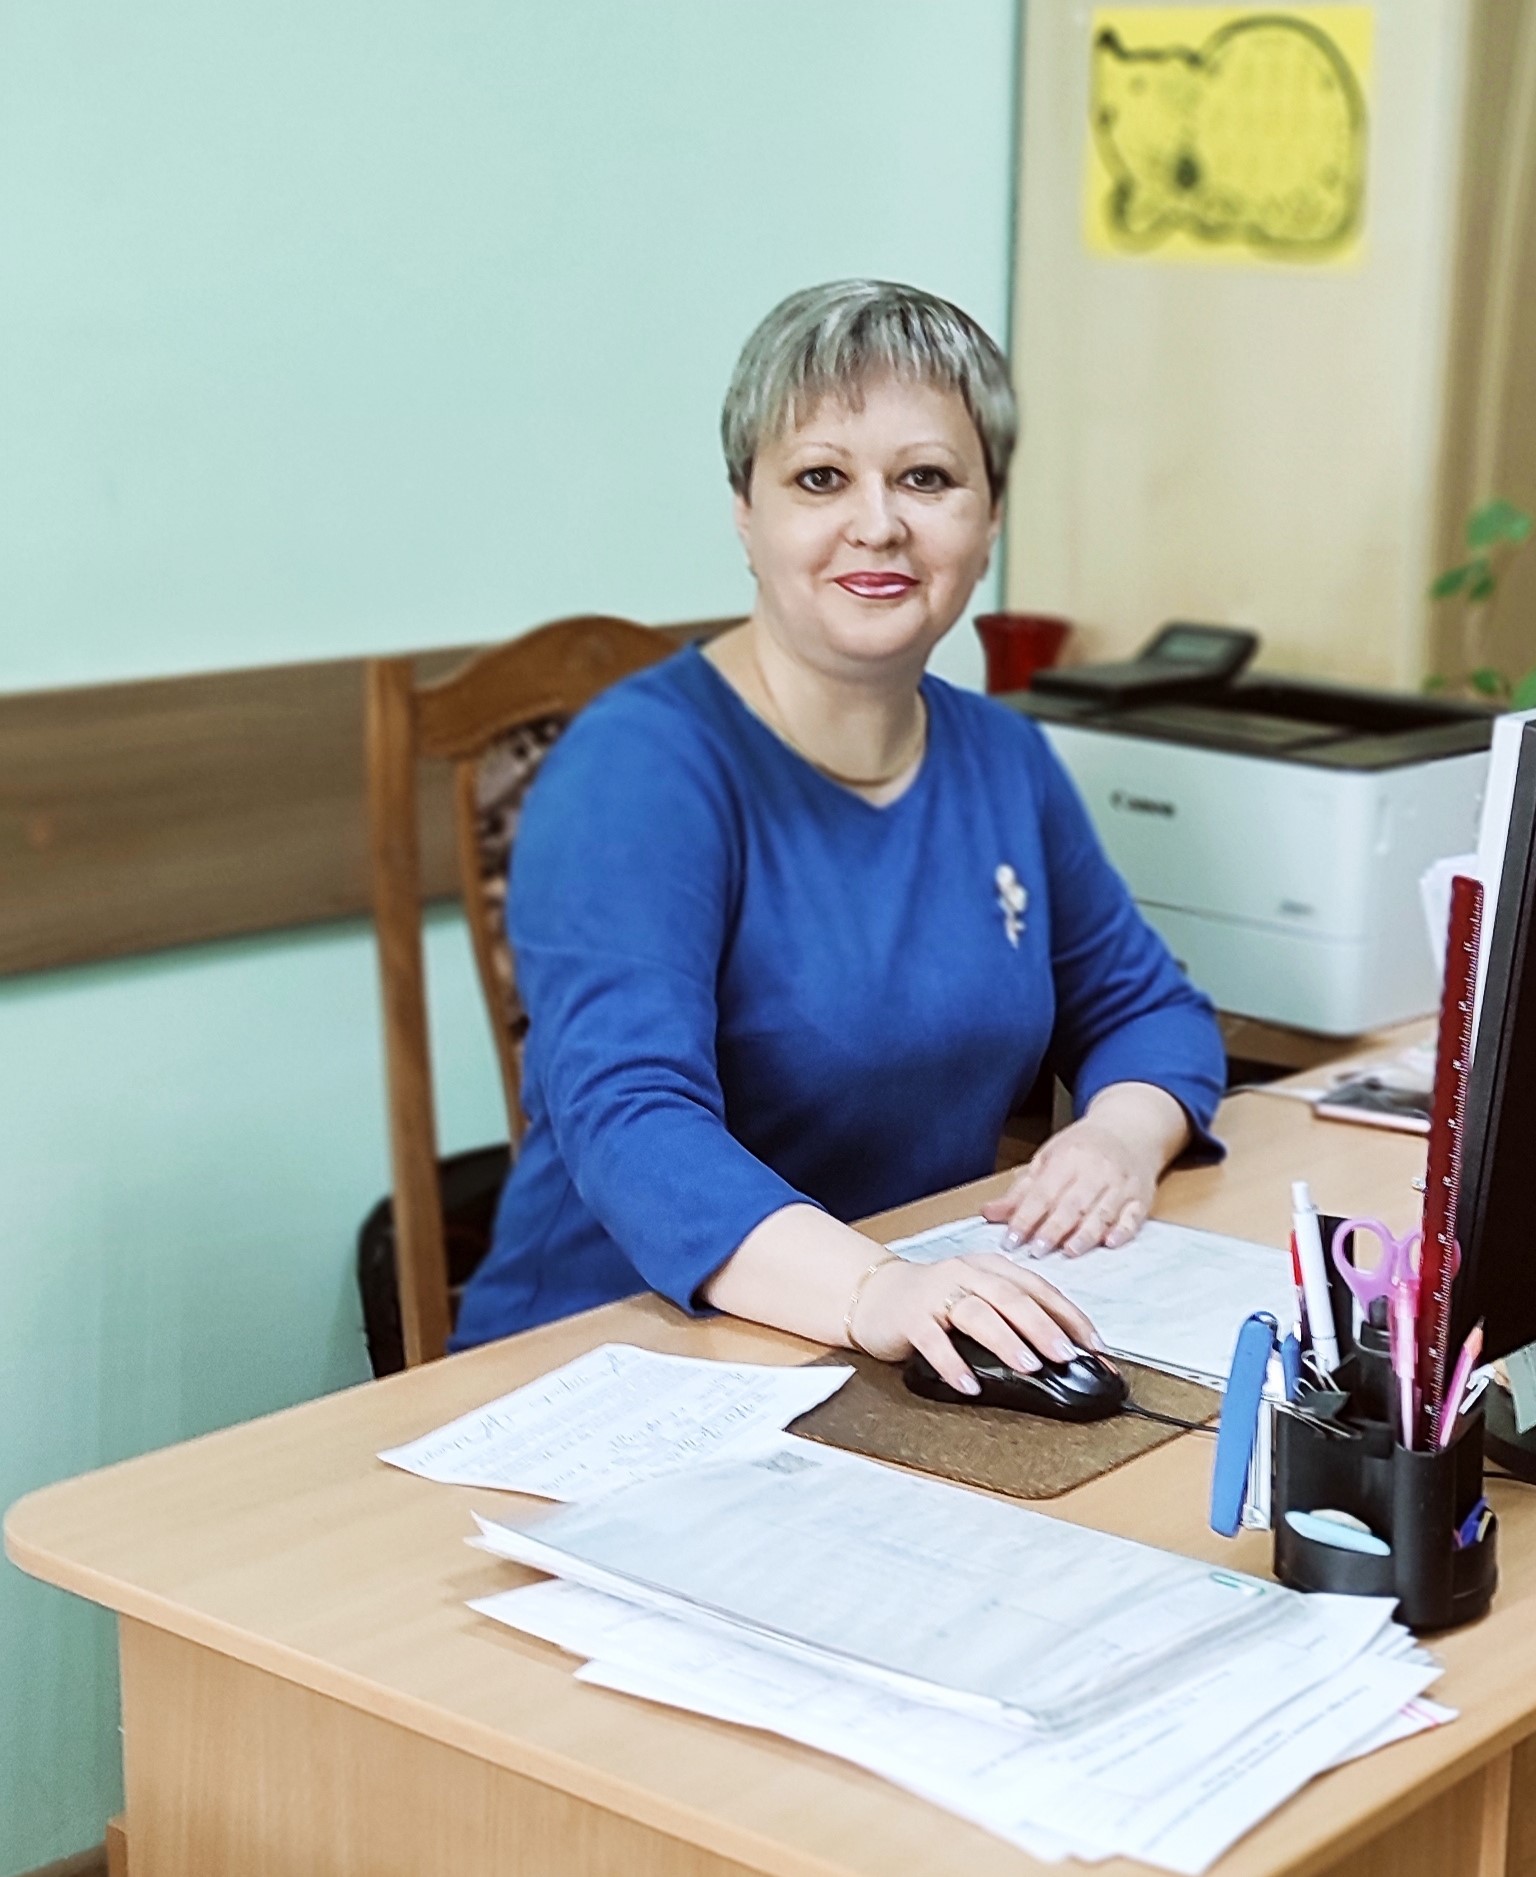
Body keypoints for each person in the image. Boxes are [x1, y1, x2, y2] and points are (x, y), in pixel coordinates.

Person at [452, 281, 1227, 1392]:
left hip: (891, 1341)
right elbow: (629, 1117)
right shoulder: (637, 768)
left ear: (989, 516)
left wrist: (1117, 1138)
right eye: (821, 477)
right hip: (613, 1359)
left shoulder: (1000, 756)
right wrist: (873, 1293)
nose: (878, 523)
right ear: (745, 510)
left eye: (928, 478)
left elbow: (1146, 1008)